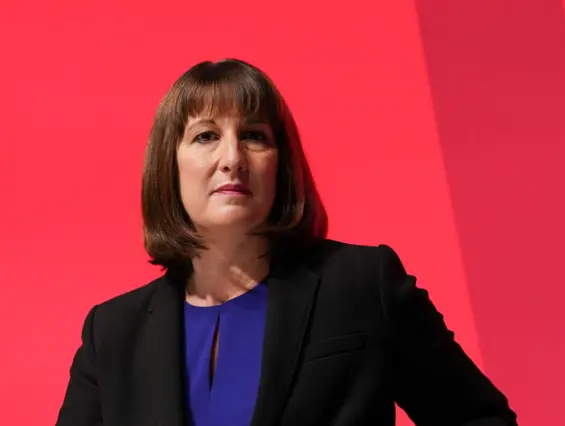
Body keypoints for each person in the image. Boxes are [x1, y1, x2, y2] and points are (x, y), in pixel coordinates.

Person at [56, 58, 518, 426]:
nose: (232, 158)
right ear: (168, 168)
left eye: (255, 136)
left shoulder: (362, 285)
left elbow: (479, 418)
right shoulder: (112, 332)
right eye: (206, 136)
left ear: (280, 162)